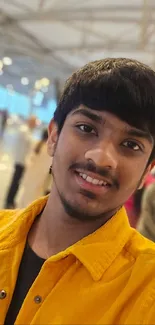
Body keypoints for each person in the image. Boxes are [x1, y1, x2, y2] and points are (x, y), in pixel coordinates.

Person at [1, 58, 155, 325]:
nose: (101, 157)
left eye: (130, 144)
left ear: (148, 170)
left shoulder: (146, 288)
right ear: (53, 136)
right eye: (86, 129)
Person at [4, 116, 37, 209]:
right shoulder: (24, 131)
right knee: (15, 182)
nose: (35, 125)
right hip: (20, 161)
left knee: (16, 182)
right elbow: (21, 148)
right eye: (34, 122)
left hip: (22, 161)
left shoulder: (28, 131)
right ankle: (9, 201)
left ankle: (11, 200)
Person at [16, 129, 51, 208]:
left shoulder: (35, 144)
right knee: (33, 203)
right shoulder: (49, 150)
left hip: (29, 177)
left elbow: (28, 160)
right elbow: (48, 167)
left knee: (23, 198)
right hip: (40, 180)